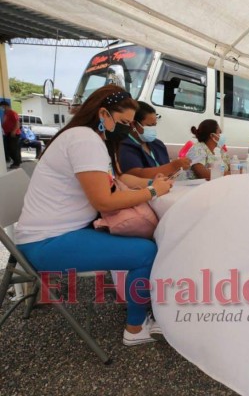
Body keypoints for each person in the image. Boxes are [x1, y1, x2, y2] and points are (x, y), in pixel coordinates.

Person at [15, 85, 173, 346]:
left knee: (145, 243)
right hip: (46, 243)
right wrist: (153, 191)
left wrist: (149, 186)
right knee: (146, 251)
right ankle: (135, 329)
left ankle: (143, 310)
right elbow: (104, 200)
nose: (126, 128)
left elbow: (118, 179)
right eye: (123, 122)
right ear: (103, 113)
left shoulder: (88, 137)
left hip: (53, 235)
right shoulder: (84, 140)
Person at [119, 101, 190, 178]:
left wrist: (177, 168)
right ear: (133, 124)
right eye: (149, 125)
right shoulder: (124, 146)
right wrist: (172, 166)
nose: (152, 129)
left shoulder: (158, 144)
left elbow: (167, 170)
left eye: (154, 125)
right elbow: (136, 174)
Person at [0, 100, 22, 168]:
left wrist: (14, 131)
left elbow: (17, 123)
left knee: (13, 149)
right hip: (8, 133)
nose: (2, 108)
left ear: (6, 106)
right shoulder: (6, 113)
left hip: (13, 134)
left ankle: (16, 163)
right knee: (9, 149)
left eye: (2, 107)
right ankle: (16, 161)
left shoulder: (12, 113)